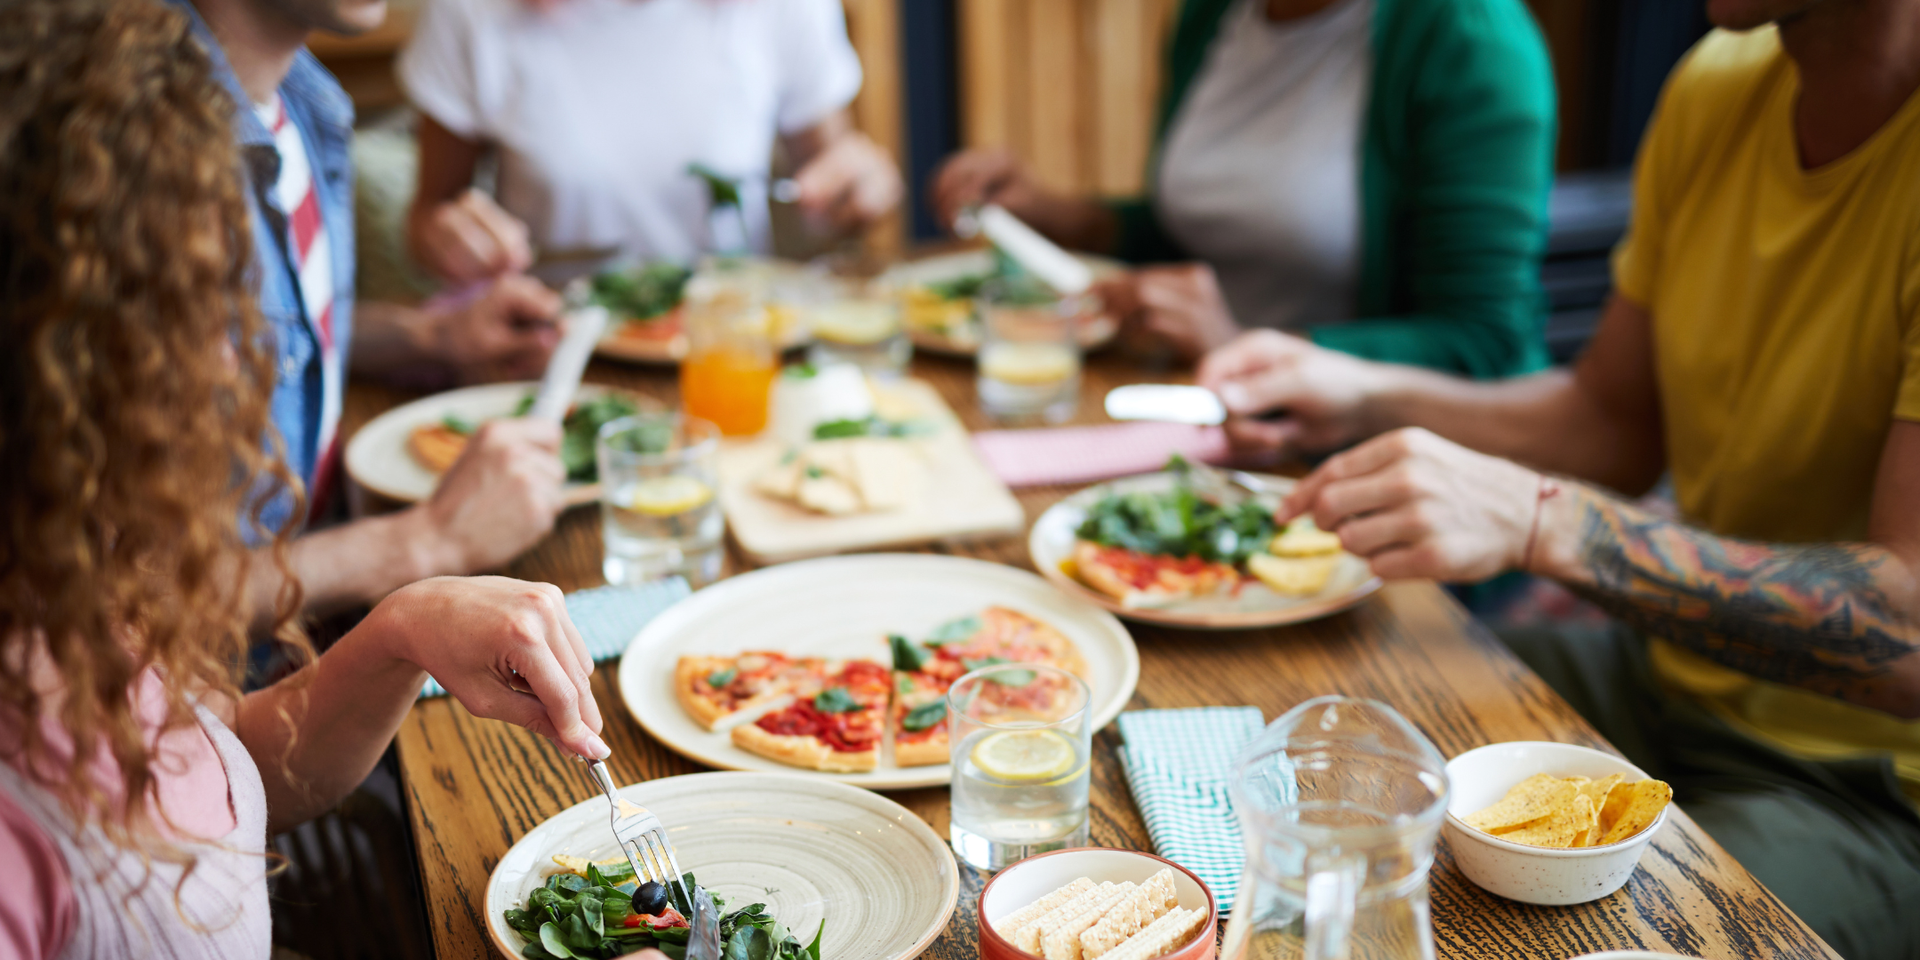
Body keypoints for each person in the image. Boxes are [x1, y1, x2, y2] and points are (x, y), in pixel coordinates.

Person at [1197, 0, 1920, 954]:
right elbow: (1609, 423)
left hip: (1867, 782)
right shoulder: (1718, 83)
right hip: (1662, 669)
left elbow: (1909, 631)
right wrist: (1357, 392)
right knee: (1301, 740)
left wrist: (1548, 523)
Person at [0, 4, 653, 958]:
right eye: (189, 315)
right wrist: (414, 546)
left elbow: (223, 776)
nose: (243, 368)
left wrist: (402, 630)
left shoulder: (84, 608)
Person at [175, 0, 574, 627]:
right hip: (220, 692)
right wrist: (425, 541)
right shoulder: (123, 161)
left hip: (325, 613)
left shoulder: (301, 98)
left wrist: (435, 335)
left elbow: (274, 339)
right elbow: (113, 608)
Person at [930, 0, 1555, 371]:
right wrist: (1063, 215)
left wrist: (1250, 351)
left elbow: (1481, 340)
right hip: (1201, 403)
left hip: (1382, 475)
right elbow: (1219, 224)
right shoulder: (1215, 13)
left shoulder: (1472, 42)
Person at [398, 0, 905, 285]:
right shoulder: (471, 12)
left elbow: (835, 172)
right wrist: (451, 237)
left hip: (733, 343)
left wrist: (861, 185)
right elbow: (428, 217)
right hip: (548, 348)